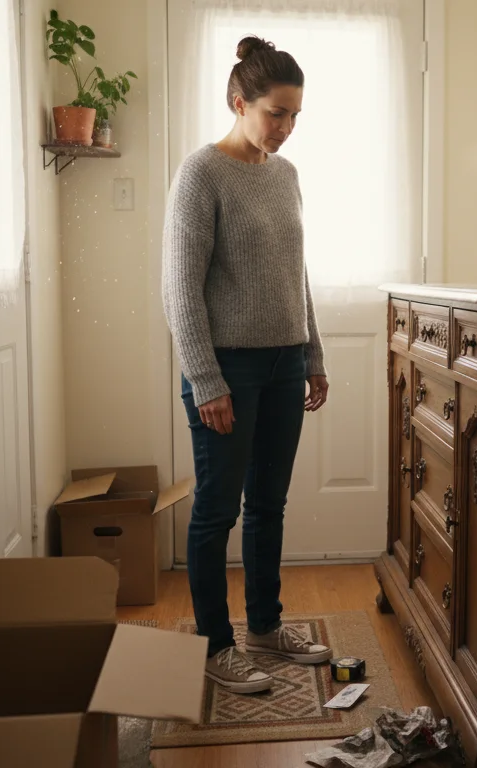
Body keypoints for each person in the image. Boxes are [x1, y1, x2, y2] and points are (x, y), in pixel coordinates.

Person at [162, 35, 332, 694]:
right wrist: (206, 379)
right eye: (275, 114)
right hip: (227, 369)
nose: (286, 129)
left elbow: (296, 273)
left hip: (287, 363)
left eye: (295, 117)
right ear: (238, 102)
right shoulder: (201, 174)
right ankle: (214, 648)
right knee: (215, 512)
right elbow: (180, 288)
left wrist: (312, 353)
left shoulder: (285, 175)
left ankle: (264, 626)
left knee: (268, 505)